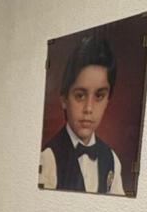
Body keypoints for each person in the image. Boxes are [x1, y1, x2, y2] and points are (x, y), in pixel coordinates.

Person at [39, 34, 126, 195]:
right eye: (80, 95)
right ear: (64, 100)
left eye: (99, 96)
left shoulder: (112, 160)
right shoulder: (48, 159)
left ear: (107, 101)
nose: (89, 108)